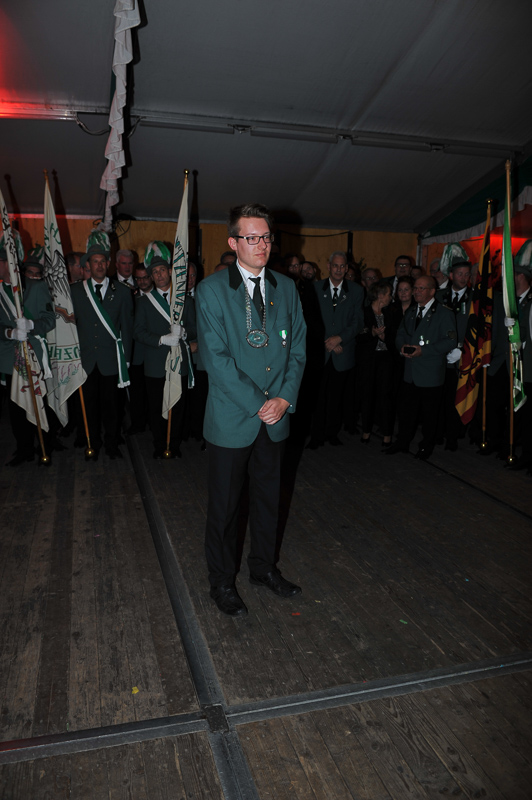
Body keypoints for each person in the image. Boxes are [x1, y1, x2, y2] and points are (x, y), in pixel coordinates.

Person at [196, 203, 306, 618]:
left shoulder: (287, 287)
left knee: (267, 501)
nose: (262, 245)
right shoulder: (211, 291)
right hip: (232, 419)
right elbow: (216, 360)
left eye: (266, 237)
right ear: (233, 242)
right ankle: (222, 582)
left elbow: (298, 349)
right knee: (225, 508)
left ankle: (263, 569)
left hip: (276, 417)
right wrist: (261, 403)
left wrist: (284, 399)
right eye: (252, 237)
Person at [71, 237, 134, 459]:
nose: (99, 265)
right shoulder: (76, 292)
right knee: (88, 406)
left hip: (111, 359)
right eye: (94, 261)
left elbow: (126, 326)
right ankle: (92, 443)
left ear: (108, 264)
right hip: (85, 359)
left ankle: (112, 444)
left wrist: (126, 359)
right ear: (88, 265)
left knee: (112, 406)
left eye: (102, 261)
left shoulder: (123, 291)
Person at [133, 244, 195, 458]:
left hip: (179, 362)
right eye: (155, 272)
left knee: (178, 405)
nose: (159, 275)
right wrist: (160, 339)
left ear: (170, 271)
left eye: (162, 270)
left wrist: (184, 332)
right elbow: (138, 332)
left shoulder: (185, 300)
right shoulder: (144, 302)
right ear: (151, 277)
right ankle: (160, 444)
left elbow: (195, 329)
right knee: (156, 405)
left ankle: (174, 444)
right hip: (155, 364)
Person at [386, 275, 456, 460]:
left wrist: (423, 351)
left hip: (430, 373)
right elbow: (400, 333)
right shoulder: (411, 311)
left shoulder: (444, 313)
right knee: (406, 411)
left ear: (432, 291)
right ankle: (402, 442)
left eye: (421, 288)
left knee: (429, 414)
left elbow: (450, 341)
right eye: (415, 288)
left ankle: (426, 446)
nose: (416, 291)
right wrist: (402, 346)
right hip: (410, 372)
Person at [0, 236, 55, 466]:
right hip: (9, 358)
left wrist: (32, 324)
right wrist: (9, 333)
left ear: (8, 263)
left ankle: (45, 446)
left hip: (34, 356)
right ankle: (24, 449)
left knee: (39, 402)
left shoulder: (36, 286)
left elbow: (50, 319)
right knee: (16, 406)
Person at [307, 250, 364, 448]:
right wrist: (326, 341)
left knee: (337, 397)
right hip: (319, 352)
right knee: (318, 397)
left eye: (342, 266)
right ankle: (316, 436)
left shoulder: (356, 291)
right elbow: (310, 319)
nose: (338, 269)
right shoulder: (315, 288)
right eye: (335, 265)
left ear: (346, 268)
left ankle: (332, 433)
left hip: (342, 352)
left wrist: (340, 339)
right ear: (328, 267)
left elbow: (358, 322)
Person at [436, 260, 473, 450]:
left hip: (461, 358)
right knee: (438, 397)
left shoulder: (474, 298)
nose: (464, 278)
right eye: (460, 274)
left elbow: (476, 328)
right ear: (451, 275)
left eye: (467, 274)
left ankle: (452, 437)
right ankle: (437, 433)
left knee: (455, 398)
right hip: (440, 355)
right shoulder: (439, 296)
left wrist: (462, 349)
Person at [356, 280, 397, 446]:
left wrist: (385, 337)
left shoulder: (390, 312)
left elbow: (395, 336)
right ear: (380, 295)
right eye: (388, 294)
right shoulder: (364, 312)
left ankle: (387, 433)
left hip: (385, 359)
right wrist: (372, 334)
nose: (390, 297)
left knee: (385, 396)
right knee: (367, 395)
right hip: (368, 360)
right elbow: (357, 335)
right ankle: (366, 430)